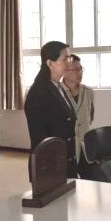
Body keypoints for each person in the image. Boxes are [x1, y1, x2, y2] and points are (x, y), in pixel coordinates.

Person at [24, 41, 77, 178]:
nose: (69, 63)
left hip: (64, 159)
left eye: (70, 58)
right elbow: (40, 136)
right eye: (65, 59)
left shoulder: (57, 86)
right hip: (49, 163)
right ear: (50, 63)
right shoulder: (39, 91)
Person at [61, 55, 97, 179]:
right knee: (69, 182)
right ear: (64, 72)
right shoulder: (56, 93)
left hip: (85, 146)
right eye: (75, 69)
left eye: (81, 69)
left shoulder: (88, 92)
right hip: (66, 148)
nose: (80, 72)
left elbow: (90, 115)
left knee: (89, 181)